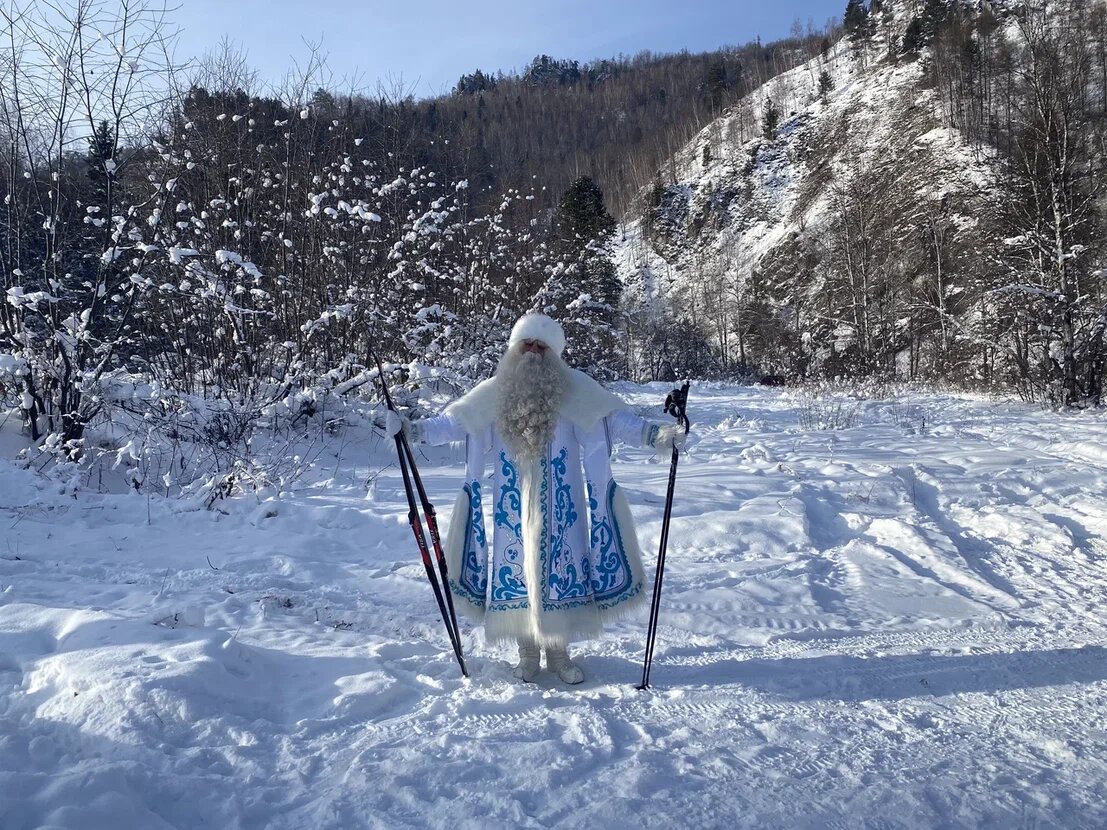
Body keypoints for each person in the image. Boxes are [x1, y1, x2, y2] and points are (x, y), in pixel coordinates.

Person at [387, 313, 686, 684]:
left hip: (565, 510)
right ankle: (527, 653)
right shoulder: (496, 392)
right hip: (512, 511)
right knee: (517, 572)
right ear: (514, 348)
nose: (532, 351)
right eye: (526, 344)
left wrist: (658, 436)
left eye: (541, 346)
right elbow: (455, 422)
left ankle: (559, 654)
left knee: (562, 572)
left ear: (554, 353)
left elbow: (616, 420)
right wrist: (411, 430)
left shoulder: (576, 390)